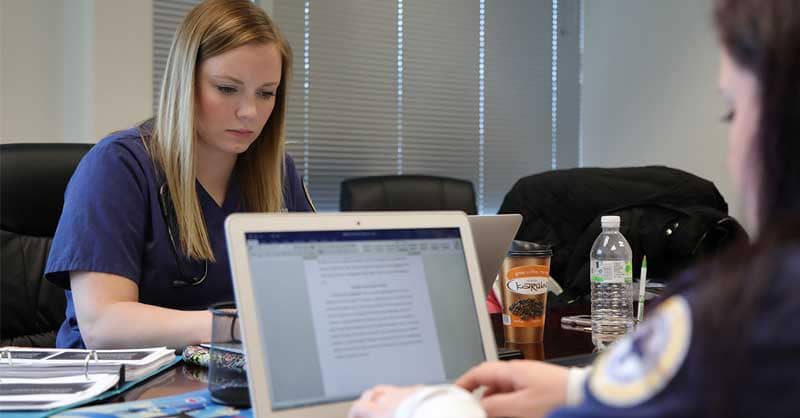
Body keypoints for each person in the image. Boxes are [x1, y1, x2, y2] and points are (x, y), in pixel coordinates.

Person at [348, 0, 800, 416]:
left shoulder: (746, 321)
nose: (732, 150)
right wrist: (578, 389)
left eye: (733, 110)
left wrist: (419, 407)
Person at [45, 0, 312, 349]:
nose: (250, 112)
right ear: (186, 82)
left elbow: (309, 293)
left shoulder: (278, 173)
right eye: (227, 89)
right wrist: (237, 325)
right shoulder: (118, 166)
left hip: (225, 377)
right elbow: (103, 323)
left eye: (266, 93)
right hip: (123, 385)